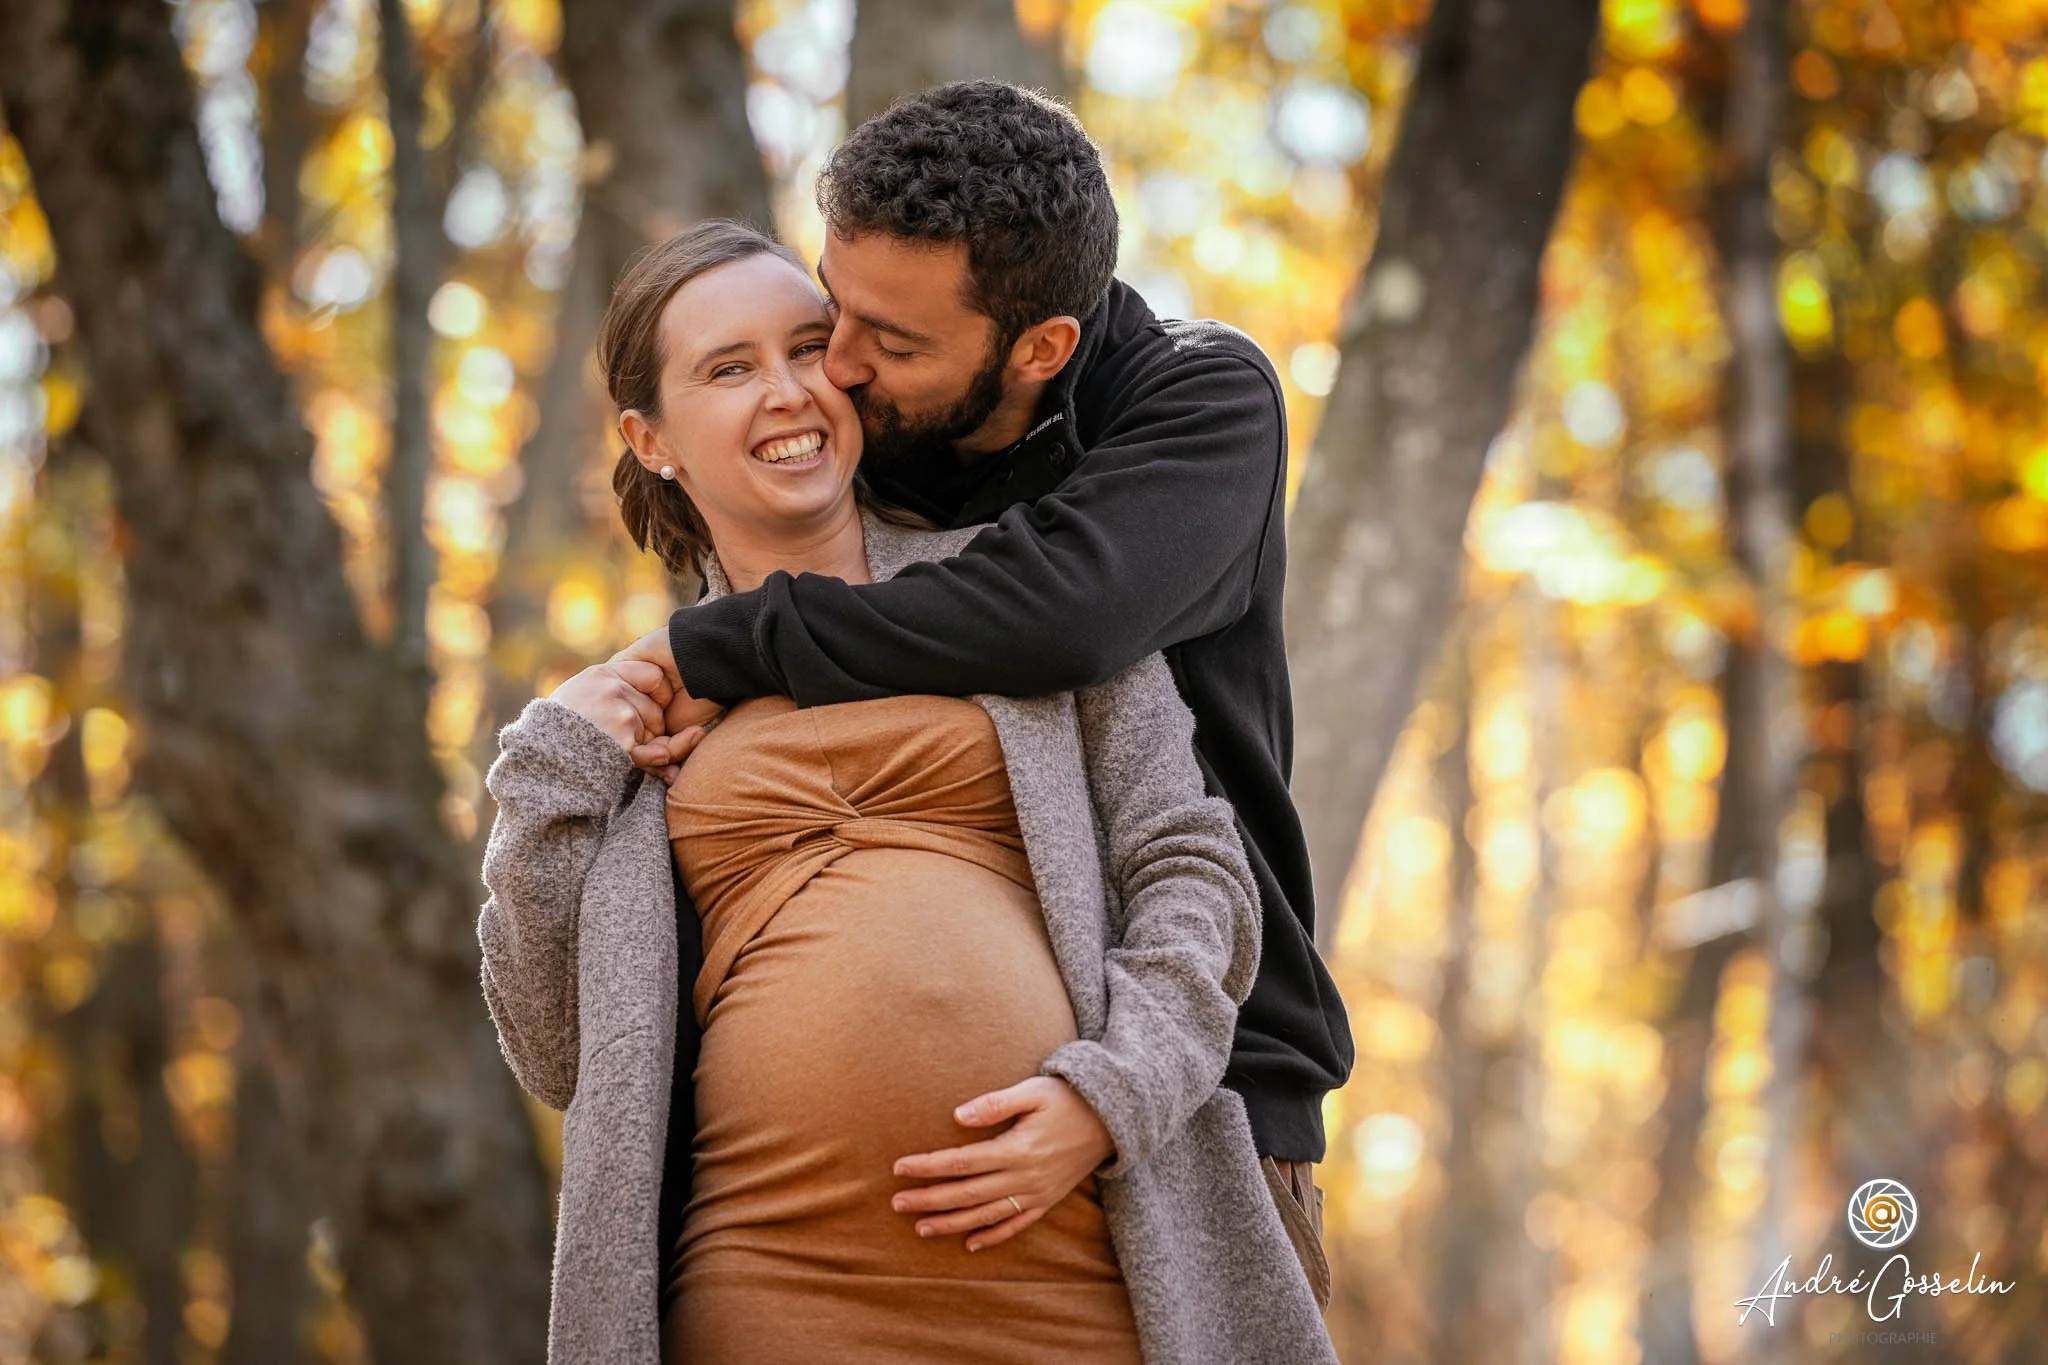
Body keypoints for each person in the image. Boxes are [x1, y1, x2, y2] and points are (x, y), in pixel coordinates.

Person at [478, 221, 1337, 1363]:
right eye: (729, 369)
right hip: (768, 1287)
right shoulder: (635, 707)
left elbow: (1191, 868)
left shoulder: (1022, 590)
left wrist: (1111, 1096)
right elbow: (559, 1055)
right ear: (650, 438)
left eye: (806, 347)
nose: (787, 392)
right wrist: (546, 782)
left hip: (1083, 1277)